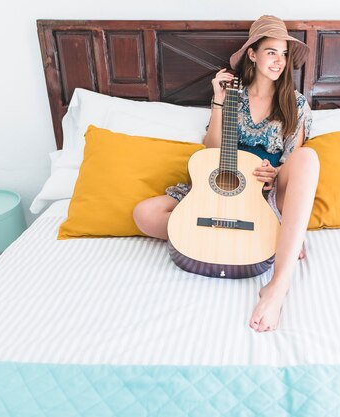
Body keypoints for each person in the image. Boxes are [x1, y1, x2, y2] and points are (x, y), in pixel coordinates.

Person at [133, 15, 319, 332]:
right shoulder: (234, 96)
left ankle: (277, 286)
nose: (279, 61)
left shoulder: (295, 104)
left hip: (265, 191)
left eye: (284, 54)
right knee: (144, 213)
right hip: (223, 185)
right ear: (252, 54)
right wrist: (219, 102)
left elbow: (292, 160)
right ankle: (231, 236)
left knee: (308, 158)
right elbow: (212, 151)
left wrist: (275, 173)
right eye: (272, 52)